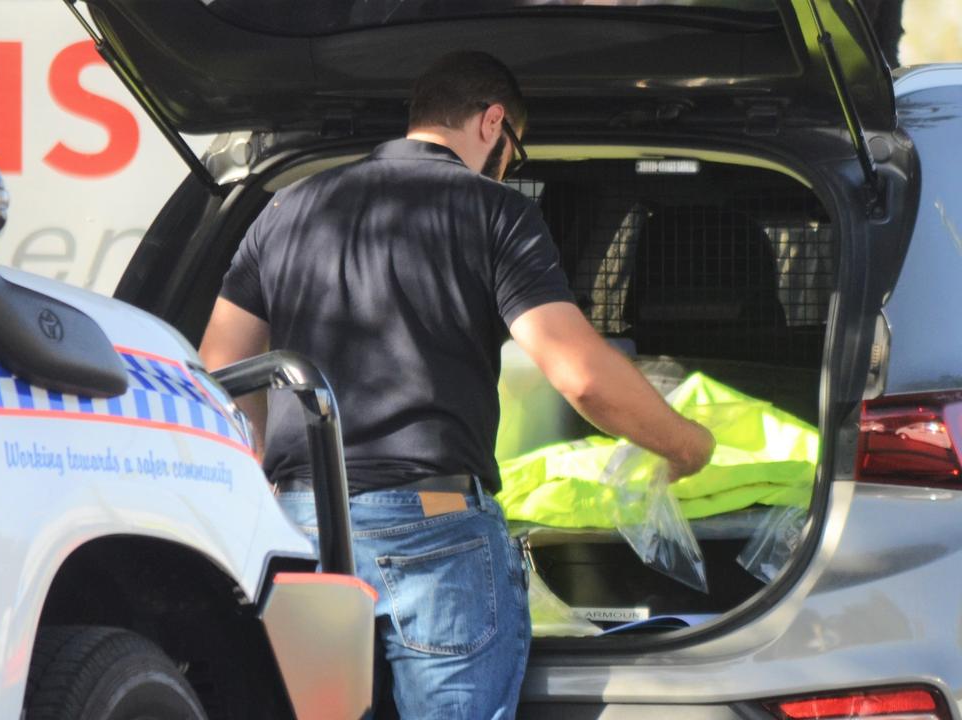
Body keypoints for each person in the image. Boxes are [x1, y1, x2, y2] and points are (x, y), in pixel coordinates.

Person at [199, 51, 715, 719]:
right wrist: (686, 445)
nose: (508, 167)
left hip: (300, 533)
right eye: (515, 152)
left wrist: (263, 490)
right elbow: (581, 376)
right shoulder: (493, 211)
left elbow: (222, 374)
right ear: (492, 122)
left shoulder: (286, 211)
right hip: (433, 541)